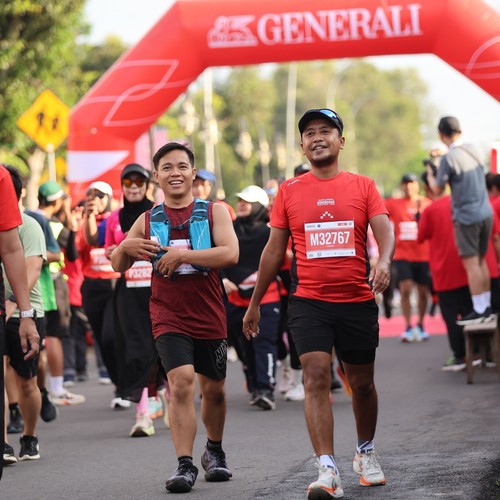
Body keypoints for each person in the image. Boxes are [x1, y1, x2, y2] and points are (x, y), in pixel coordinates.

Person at [242, 108, 394, 499]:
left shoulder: (363, 186)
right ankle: (326, 468)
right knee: (314, 377)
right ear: (302, 145)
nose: (317, 138)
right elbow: (273, 251)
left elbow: (385, 230)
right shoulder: (289, 192)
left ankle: (365, 451)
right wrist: (255, 303)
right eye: (309, 133)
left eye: (325, 131)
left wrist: (383, 262)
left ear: (341, 141)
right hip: (309, 301)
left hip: (356, 299)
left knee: (362, 384)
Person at [111, 142, 239, 493]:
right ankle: (185, 464)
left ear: (193, 173)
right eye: (167, 167)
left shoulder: (214, 212)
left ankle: (214, 450)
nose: (175, 173)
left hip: (209, 313)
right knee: (181, 383)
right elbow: (118, 265)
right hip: (168, 314)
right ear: (157, 176)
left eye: (182, 166)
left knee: (214, 390)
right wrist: (124, 247)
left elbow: (230, 253)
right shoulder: (147, 219)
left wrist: (183, 255)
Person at [418, 171, 500, 370]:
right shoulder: (479, 204)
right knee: (479, 313)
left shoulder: (431, 210)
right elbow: (495, 235)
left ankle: (461, 356)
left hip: (446, 273)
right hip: (477, 273)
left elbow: (421, 236)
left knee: (453, 318)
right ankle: (484, 353)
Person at [104, 163, 161, 436]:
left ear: (147, 185)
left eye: (139, 181)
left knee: (160, 345)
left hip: (157, 288)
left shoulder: (158, 213)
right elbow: (108, 250)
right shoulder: (115, 218)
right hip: (128, 291)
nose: (134, 186)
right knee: (133, 346)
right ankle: (143, 412)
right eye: (129, 182)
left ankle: (161, 394)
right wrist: (118, 250)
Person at [426, 116, 494, 325]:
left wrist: (431, 171)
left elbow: (437, 189)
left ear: (441, 135)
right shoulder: (473, 149)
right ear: (460, 131)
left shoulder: (448, 160)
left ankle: (479, 310)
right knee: (481, 261)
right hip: (485, 212)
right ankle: (486, 306)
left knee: (471, 264)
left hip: (467, 217)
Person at [220, 185, 280, 410]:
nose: (241, 204)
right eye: (240, 200)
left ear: (259, 206)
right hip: (234, 299)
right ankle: (255, 386)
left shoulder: (270, 232)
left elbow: (279, 261)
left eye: (247, 201)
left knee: (264, 343)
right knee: (244, 347)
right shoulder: (229, 229)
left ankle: (266, 389)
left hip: (267, 298)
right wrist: (223, 279)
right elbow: (219, 254)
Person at [2, 166, 46, 463]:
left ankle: (29, 436)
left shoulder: (28, 226)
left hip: (23, 310)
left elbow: (31, 268)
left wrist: (17, 306)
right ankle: (4, 443)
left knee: (26, 381)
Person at [385, 174, 432, 342]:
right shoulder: (393, 203)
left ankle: (420, 324)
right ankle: (407, 326)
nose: (408, 187)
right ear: (401, 186)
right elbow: (377, 211)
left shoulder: (427, 203)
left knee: (423, 292)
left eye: (411, 183)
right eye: (405, 184)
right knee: (405, 289)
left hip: (424, 256)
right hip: (403, 255)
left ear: (417, 185)